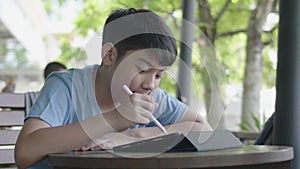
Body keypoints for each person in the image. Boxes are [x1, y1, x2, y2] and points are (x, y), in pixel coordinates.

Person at [15, 8, 212, 169]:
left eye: (159, 75)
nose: (151, 84)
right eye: (143, 69)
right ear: (109, 55)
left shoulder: (149, 97)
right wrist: (115, 119)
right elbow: (25, 153)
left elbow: (202, 129)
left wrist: (134, 136)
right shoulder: (66, 86)